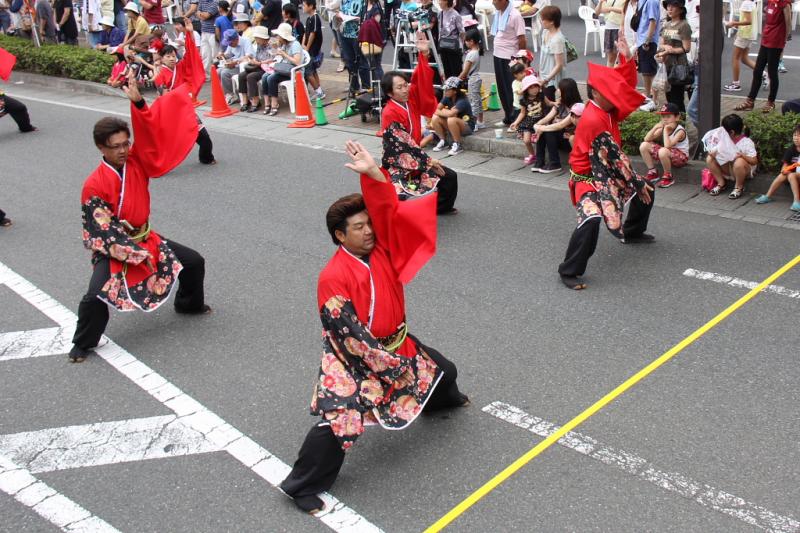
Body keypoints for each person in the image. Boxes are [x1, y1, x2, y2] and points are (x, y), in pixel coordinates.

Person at [279, 139, 469, 514]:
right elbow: (347, 335)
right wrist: (386, 366)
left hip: (397, 343)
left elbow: (387, 211)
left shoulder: (382, 249)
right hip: (355, 358)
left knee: (444, 371)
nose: (368, 231)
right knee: (341, 421)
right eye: (358, 227)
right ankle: (300, 487)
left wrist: (373, 176)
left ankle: (439, 403)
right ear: (340, 235)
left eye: (368, 224)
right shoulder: (333, 276)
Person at [70, 70, 211, 363]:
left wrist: (138, 104)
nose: (123, 150)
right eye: (116, 147)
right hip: (116, 247)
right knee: (96, 295)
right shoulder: (94, 185)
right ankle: (83, 343)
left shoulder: (135, 161)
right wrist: (132, 253)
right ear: (101, 148)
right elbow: (102, 231)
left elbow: (149, 137)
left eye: (126, 144)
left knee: (194, 262)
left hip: (146, 237)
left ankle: (189, 304)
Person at [558, 45, 655, 290]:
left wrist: (627, 57)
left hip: (606, 171)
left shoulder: (607, 108)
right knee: (591, 219)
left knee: (647, 189)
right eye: (610, 92)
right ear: (596, 93)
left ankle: (633, 231)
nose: (616, 96)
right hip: (588, 179)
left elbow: (623, 85)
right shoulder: (594, 119)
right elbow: (617, 160)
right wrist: (636, 182)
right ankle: (568, 270)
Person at [381, 34, 459, 214]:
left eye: (405, 85)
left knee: (449, 177)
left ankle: (440, 208)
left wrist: (424, 55)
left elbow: (420, 81)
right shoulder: (389, 112)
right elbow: (403, 145)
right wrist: (429, 161)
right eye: (399, 87)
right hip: (399, 162)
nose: (405, 89)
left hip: (417, 156)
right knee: (398, 197)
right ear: (390, 93)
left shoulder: (410, 100)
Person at [153, 44, 216, 164]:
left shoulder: (180, 67)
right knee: (169, 143)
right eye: (168, 56)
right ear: (161, 58)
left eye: (173, 56)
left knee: (204, 137)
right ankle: (160, 163)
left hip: (185, 109)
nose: (172, 59)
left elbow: (190, 56)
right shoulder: (160, 75)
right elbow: (164, 96)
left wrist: (188, 37)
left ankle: (206, 158)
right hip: (171, 112)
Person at [734, 0, 792, 113]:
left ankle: (771, 102)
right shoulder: (770, 2)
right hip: (766, 38)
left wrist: (784, 40)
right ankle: (750, 101)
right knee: (757, 70)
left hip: (776, 41)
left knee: (772, 72)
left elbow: (788, 23)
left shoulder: (785, 3)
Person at [702, 113, 757, 198]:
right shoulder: (723, 139)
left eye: (723, 130)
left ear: (732, 132)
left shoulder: (747, 142)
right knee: (710, 158)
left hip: (742, 171)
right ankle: (721, 183)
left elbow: (754, 161)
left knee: (739, 162)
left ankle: (738, 187)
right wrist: (712, 153)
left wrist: (742, 156)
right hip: (729, 168)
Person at [533, 77, 582, 172]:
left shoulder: (577, 107)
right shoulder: (560, 103)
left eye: (559, 88)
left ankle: (555, 164)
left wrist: (542, 128)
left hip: (570, 140)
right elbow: (547, 118)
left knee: (548, 130)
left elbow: (561, 125)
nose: (557, 90)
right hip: (561, 137)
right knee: (544, 130)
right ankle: (539, 161)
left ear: (566, 92)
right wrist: (537, 125)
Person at [491, 0, 526, 127]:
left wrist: (520, 58)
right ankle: (508, 116)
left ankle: (516, 119)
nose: (493, 3)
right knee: (502, 88)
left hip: (510, 57)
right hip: (497, 54)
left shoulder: (515, 15)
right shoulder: (498, 13)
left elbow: (522, 39)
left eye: (495, 0)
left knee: (512, 89)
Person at [638, 102, 688, 188]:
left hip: (681, 158)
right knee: (644, 145)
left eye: (668, 116)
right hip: (667, 153)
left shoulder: (680, 131)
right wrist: (655, 127)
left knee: (663, 150)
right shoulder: (664, 127)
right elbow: (646, 139)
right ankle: (653, 172)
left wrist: (665, 130)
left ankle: (668, 176)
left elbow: (668, 146)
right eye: (663, 117)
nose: (665, 119)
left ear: (677, 117)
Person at [655, 0, 691, 112]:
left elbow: (686, 48)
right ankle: (673, 119)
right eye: (668, 6)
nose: (669, 9)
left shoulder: (684, 25)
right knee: (669, 96)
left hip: (679, 65)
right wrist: (664, 49)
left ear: (680, 9)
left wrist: (671, 50)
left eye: (673, 6)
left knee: (677, 98)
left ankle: (680, 121)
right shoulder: (666, 25)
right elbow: (661, 44)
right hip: (666, 64)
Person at [755, 124, 800, 212]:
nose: (796, 138)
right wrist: (784, 171)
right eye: (794, 135)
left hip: (797, 175)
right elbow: (785, 166)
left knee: (791, 175)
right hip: (793, 176)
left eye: (799, 135)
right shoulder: (791, 149)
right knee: (783, 175)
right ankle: (767, 196)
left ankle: (796, 201)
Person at [263, 22, 304, 116]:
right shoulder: (285, 44)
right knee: (265, 76)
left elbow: (297, 62)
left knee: (271, 78)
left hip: (294, 71)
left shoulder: (295, 45)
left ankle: (274, 104)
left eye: (278, 35)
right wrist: (276, 49)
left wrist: (284, 54)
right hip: (285, 69)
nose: (277, 37)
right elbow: (281, 55)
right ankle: (267, 103)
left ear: (283, 36)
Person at [430, 76, 474, 156]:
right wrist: (447, 111)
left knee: (451, 119)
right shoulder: (447, 97)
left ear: (455, 91)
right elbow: (435, 110)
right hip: (453, 125)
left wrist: (444, 111)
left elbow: (451, 114)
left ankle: (457, 144)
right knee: (435, 118)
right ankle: (443, 141)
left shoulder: (462, 100)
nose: (445, 91)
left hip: (467, 127)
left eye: (447, 89)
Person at [510, 74, 548, 166]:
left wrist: (555, 103)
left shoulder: (541, 95)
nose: (534, 89)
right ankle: (532, 155)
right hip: (528, 122)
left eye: (536, 86)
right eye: (531, 87)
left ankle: (539, 154)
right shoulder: (523, 100)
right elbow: (522, 113)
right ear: (526, 89)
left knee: (539, 140)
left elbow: (549, 103)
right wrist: (516, 122)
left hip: (541, 121)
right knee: (526, 140)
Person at [723, 0, 757, 92]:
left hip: (745, 34)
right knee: (744, 59)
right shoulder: (751, 2)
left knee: (735, 58)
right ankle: (763, 74)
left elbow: (748, 21)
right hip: (749, 34)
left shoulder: (746, 3)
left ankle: (736, 84)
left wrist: (734, 23)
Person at [237, 24, 272, 112]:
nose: (256, 40)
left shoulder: (271, 46)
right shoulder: (259, 45)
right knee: (241, 75)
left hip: (266, 69)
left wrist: (259, 63)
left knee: (251, 76)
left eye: (257, 38)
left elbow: (272, 60)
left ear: (263, 38)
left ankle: (255, 101)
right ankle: (245, 101)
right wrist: (253, 60)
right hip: (258, 66)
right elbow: (256, 57)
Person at [634, 0, 661, 112]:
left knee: (651, 71)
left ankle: (654, 100)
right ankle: (648, 95)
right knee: (645, 71)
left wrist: (647, 41)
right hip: (642, 40)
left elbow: (653, 22)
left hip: (648, 42)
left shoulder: (652, 1)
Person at [538, 5, 566, 103]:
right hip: (543, 75)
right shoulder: (545, 32)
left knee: (550, 104)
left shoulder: (557, 40)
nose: (541, 21)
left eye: (543, 19)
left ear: (552, 22)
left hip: (551, 80)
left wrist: (546, 79)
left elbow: (559, 65)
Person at [216, 28, 252, 103]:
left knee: (225, 73)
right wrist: (222, 55)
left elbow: (249, 56)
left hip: (244, 66)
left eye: (231, 43)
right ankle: (228, 93)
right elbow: (228, 54)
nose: (229, 45)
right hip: (234, 64)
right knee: (218, 71)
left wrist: (236, 62)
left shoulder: (246, 41)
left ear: (236, 39)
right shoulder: (231, 44)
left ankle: (231, 95)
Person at [459, 26, 484, 130]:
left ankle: (473, 124)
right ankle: (480, 121)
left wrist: (458, 79)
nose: (465, 43)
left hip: (472, 79)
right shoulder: (476, 51)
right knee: (478, 101)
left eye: (466, 41)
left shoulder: (471, 54)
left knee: (474, 102)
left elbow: (465, 71)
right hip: (476, 78)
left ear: (472, 41)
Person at [338, 0, 365, 95]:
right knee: (349, 62)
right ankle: (354, 85)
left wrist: (355, 19)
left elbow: (365, 17)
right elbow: (341, 11)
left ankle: (366, 87)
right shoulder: (345, 1)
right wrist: (339, 16)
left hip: (357, 35)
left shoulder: (362, 2)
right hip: (345, 34)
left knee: (361, 62)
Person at [301, 0, 324, 99]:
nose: (303, 7)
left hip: (312, 50)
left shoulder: (315, 18)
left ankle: (319, 92)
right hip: (308, 49)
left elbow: (312, 34)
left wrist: (307, 47)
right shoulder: (309, 18)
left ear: (311, 6)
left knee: (308, 72)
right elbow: (305, 33)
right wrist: (303, 44)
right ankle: (319, 90)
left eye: (304, 5)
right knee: (313, 70)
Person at [438, 0, 464, 78]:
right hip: (443, 46)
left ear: (446, 1)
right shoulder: (440, 13)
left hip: (454, 47)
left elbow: (462, 31)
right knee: (447, 71)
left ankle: (457, 86)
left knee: (456, 71)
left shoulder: (455, 14)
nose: (439, 2)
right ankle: (449, 85)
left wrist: (462, 45)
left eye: (440, 0)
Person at [595, 0, 625, 66]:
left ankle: (619, 72)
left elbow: (625, 10)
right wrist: (600, 2)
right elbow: (597, 12)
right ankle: (609, 72)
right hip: (609, 27)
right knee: (611, 58)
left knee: (621, 57)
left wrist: (610, 9)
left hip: (621, 28)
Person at [198, 0, 219, 73]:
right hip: (204, 31)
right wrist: (202, 15)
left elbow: (206, 16)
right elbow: (198, 13)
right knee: (205, 55)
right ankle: (207, 75)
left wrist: (201, 14)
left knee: (215, 55)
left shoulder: (215, 2)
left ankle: (217, 74)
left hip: (213, 32)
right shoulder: (202, 1)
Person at [506, 62, 526, 132]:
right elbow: (519, 92)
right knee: (518, 117)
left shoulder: (525, 80)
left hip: (525, 104)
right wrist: (527, 88)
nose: (524, 74)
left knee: (524, 117)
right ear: (515, 75)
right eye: (521, 73)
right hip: (518, 105)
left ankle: (521, 127)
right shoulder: (515, 83)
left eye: (524, 72)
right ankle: (514, 126)